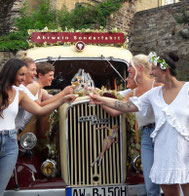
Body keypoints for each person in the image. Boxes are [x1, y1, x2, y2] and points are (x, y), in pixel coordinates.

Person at [90, 52, 189, 196]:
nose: (152, 72)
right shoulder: (154, 94)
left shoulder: (187, 89)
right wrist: (100, 99)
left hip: (184, 151)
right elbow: (127, 106)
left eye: (154, 69)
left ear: (165, 69)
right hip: (163, 152)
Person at [0, 58, 76, 196]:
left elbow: (39, 110)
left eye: (24, 74)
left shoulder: (20, 92)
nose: (23, 79)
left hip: (10, 142)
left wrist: (63, 100)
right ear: (11, 73)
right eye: (20, 74)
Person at [101, 54, 161, 196]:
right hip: (146, 135)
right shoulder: (132, 92)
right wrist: (97, 99)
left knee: (169, 177)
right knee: (150, 181)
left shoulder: (157, 85)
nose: (128, 71)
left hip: (161, 133)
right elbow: (115, 111)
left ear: (140, 68)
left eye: (130, 68)